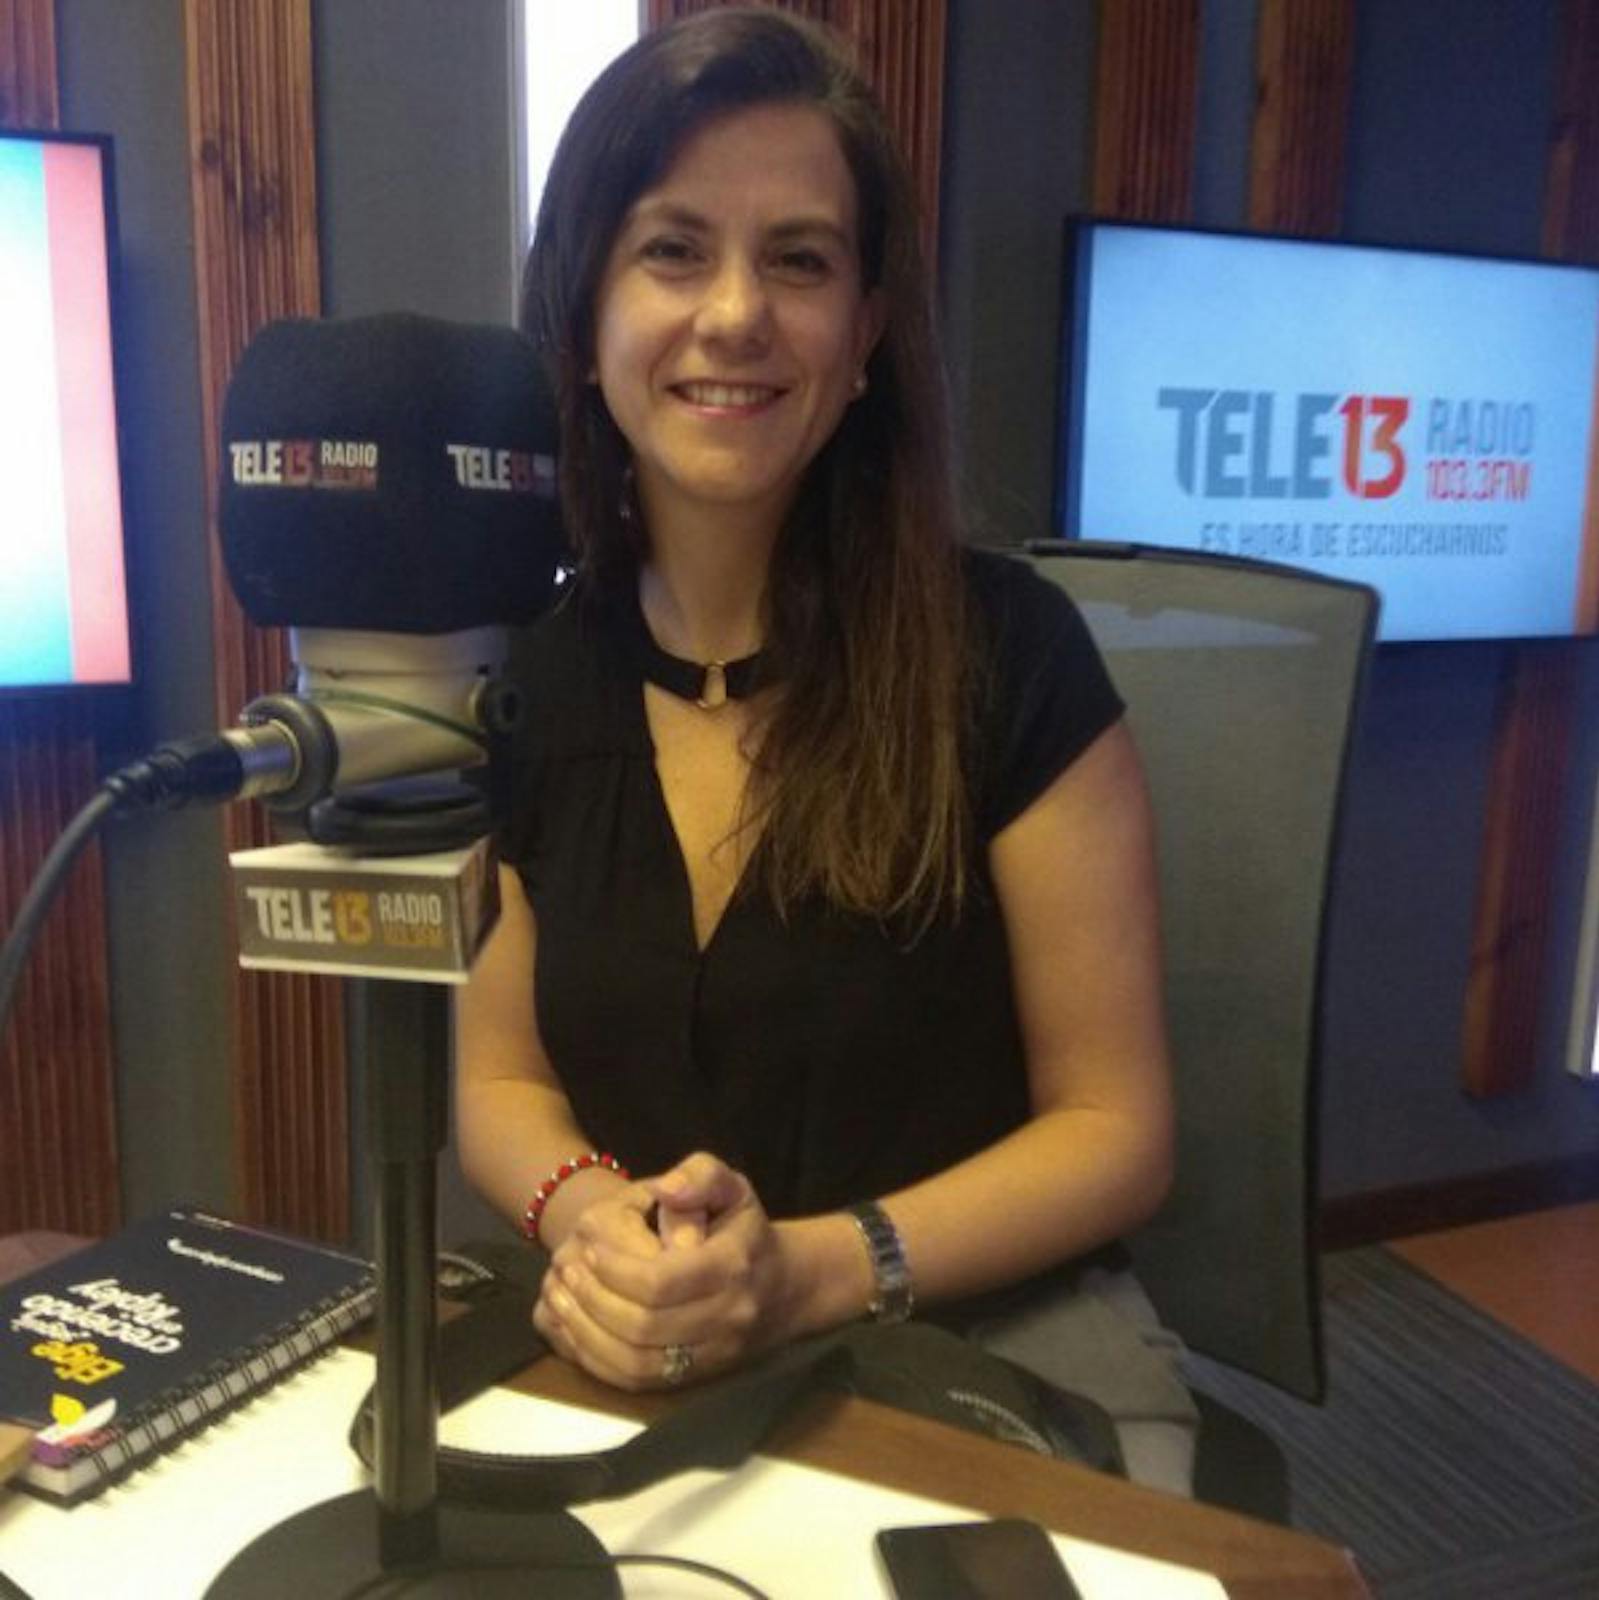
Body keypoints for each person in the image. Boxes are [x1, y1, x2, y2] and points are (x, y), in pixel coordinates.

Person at [456, 6, 1197, 1494]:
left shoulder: (1011, 654)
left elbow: (1116, 1129)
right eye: (674, 250)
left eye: (799, 261)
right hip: (649, 1344)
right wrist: (596, 1224)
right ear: (586, 317)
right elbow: (501, 1081)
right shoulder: (530, 676)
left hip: (988, 1338)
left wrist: (811, 1269)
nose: (736, 313)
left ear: (862, 340)